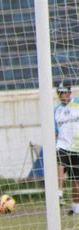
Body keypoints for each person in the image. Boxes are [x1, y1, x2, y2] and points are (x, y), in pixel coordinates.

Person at [54, 80, 79, 216]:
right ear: (59, 94)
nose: (65, 95)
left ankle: (76, 208)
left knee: (76, 182)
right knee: (59, 164)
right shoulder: (56, 111)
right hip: (62, 145)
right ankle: (59, 194)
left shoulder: (77, 103)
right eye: (62, 93)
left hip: (77, 147)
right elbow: (54, 130)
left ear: (70, 92)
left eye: (67, 92)